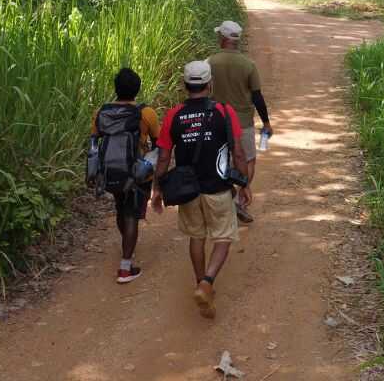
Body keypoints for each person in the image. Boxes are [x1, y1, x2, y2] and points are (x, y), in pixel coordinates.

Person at [151, 60, 250, 318]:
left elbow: (163, 157)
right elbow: (238, 151)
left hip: (188, 189)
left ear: (185, 85)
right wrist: (245, 184)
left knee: (197, 236)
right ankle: (207, 282)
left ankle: (199, 283)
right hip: (218, 187)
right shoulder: (224, 112)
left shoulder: (174, 115)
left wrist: (157, 188)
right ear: (209, 84)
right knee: (223, 236)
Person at [90, 67, 160, 284]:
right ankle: (125, 267)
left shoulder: (101, 112)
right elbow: (159, 144)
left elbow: (94, 141)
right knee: (132, 214)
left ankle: (127, 246)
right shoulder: (146, 113)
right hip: (137, 173)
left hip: (110, 171)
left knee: (121, 208)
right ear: (137, 90)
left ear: (116, 89)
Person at [207, 20, 273, 223]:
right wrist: (266, 123)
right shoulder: (248, 65)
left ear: (224, 39)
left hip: (215, 120)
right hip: (242, 121)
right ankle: (240, 199)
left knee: (219, 161)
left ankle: (224, 202)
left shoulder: (209, 62)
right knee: (247, 160)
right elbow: (257, 96)